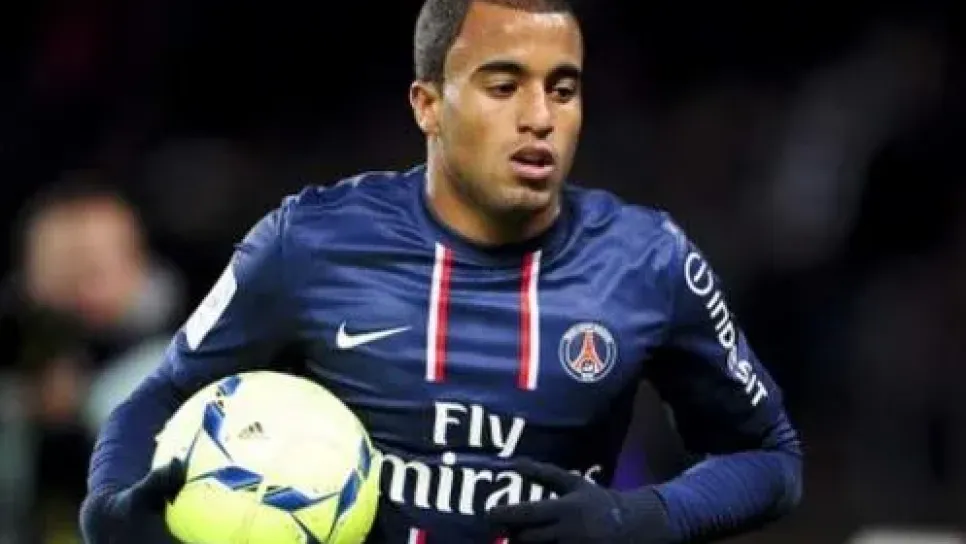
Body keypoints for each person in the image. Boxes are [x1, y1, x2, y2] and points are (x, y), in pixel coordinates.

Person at [79, 0, 803, 542]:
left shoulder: (647, 260)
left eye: (563, 88)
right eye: (503, 86)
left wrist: (641, 518)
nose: (540, 117)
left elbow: (769, 458)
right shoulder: (311, 242)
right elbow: (162, 395)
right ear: (428, 105)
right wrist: (108, 509)